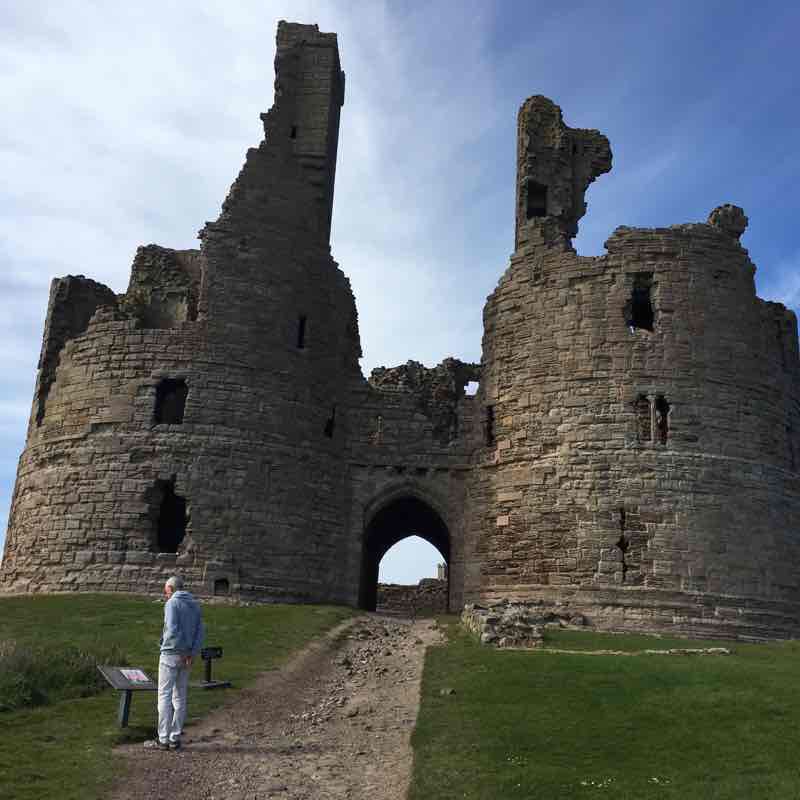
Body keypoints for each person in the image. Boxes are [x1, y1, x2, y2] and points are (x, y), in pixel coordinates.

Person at [147, 575, 204, 751]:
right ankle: (175, 738)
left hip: (171, 654)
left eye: (166, 592)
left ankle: (163, 738)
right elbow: (200, 632)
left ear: (171, 589)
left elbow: (171, 629)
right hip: (187, 656)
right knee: (180, 696)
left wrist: (164, 644)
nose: (165, 595)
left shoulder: (172, 603)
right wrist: (191, 652)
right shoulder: (195, 604)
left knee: (164, 695)